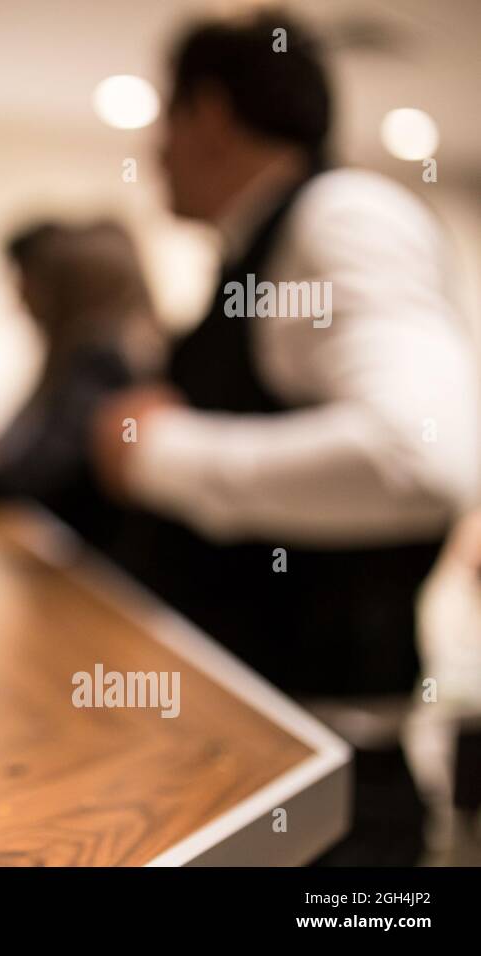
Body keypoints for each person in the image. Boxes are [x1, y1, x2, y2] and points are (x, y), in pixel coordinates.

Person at [91, 11, 479, 863]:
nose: (155, 150)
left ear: (212, 114)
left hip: (319, 801)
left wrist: (157, 453)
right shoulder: (264, 246)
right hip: (247, 766)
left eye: (166, 116)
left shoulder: (343, 215)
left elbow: (421, 458)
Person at [0, 221, 163, 551]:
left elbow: (41, 476)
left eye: (30, 284)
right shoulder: (105, 358)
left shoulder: (100, 363)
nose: (21, 300)